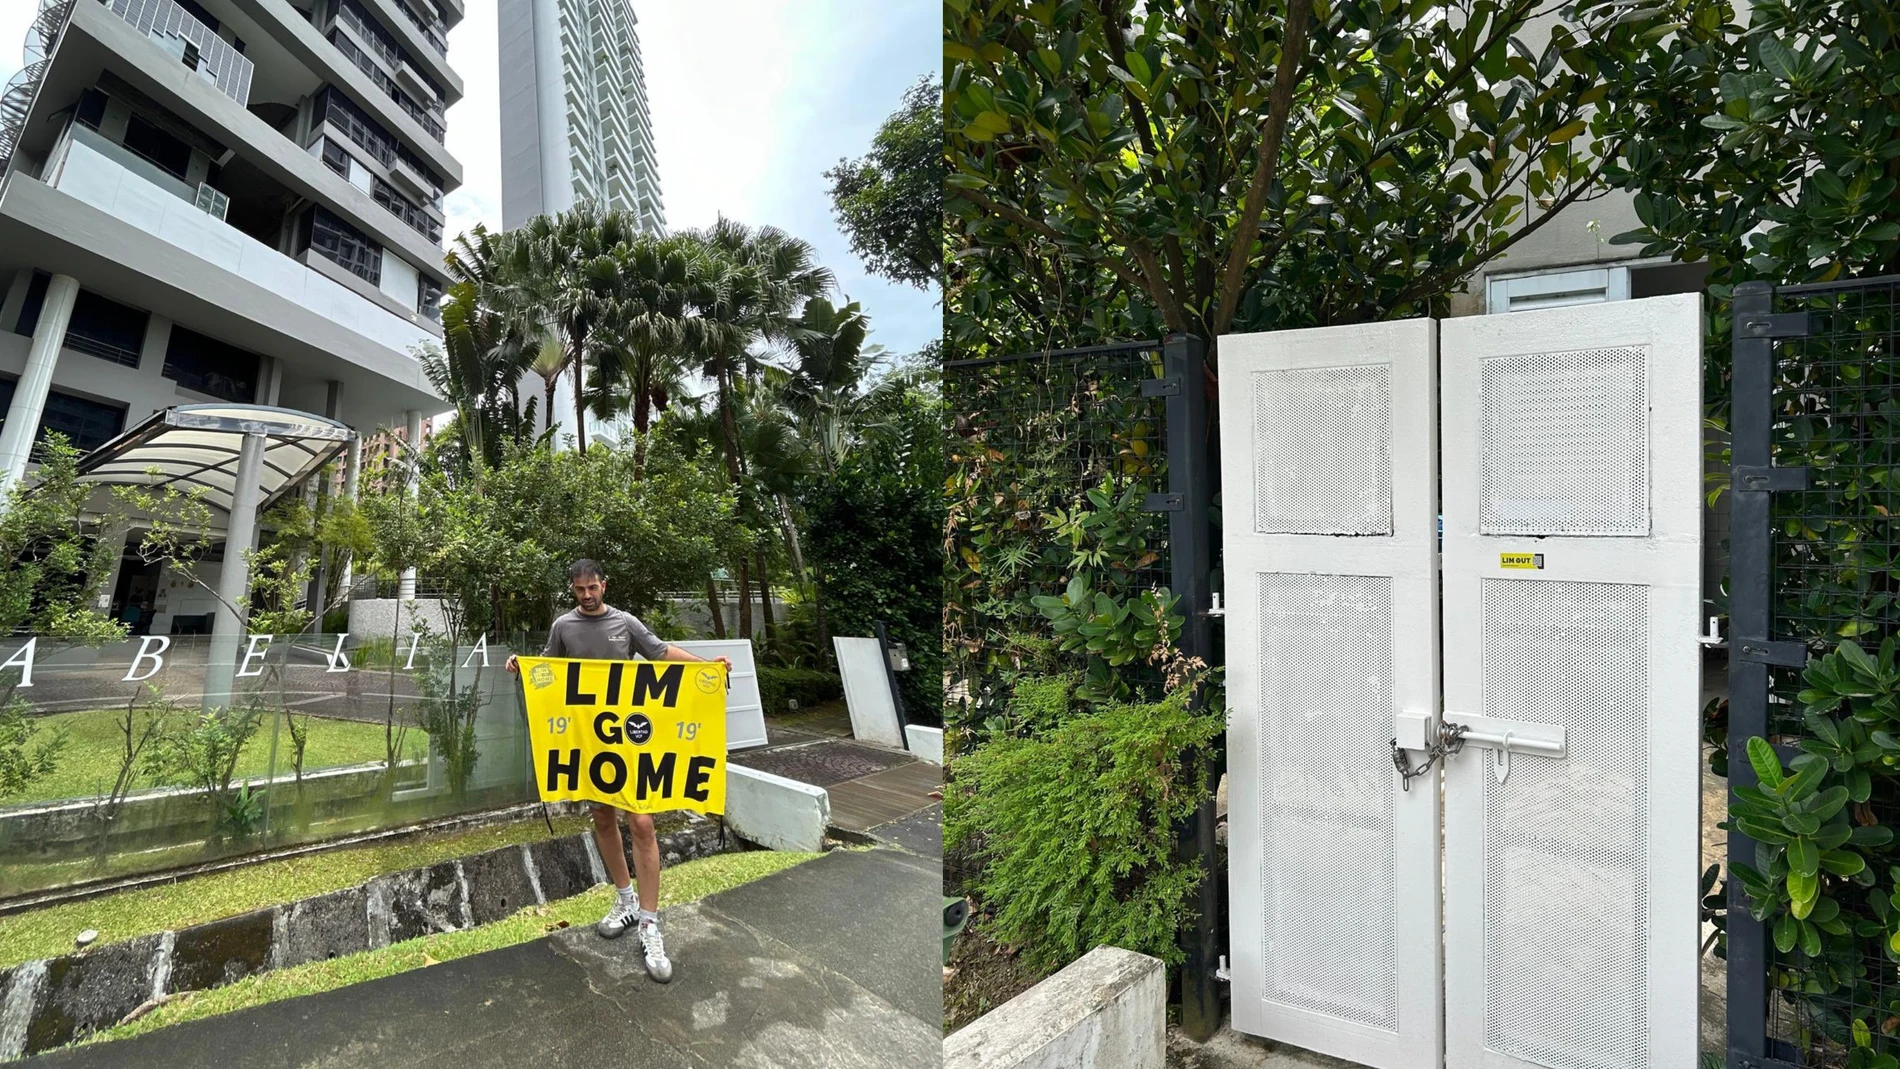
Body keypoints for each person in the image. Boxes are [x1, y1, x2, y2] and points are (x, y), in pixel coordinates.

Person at [507, 558, 729, 983]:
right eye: (579, 591)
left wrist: (707, 668)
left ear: (604, 586)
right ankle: (625, 900)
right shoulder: (563, 627)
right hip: (592, 744)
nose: (587, 596)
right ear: (572, 590)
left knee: (642, 822)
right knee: (602, 817)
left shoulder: (625, 622)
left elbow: (661, 653)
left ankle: (649, 923)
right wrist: (524, 665)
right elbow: (550, 672)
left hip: (630, 741)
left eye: (593, 588)